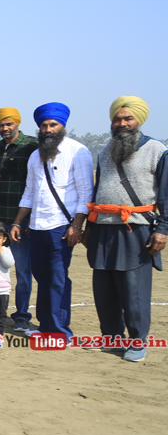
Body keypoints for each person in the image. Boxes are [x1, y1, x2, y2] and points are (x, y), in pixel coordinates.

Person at [84, 96, 167, 362]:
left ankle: (137, 341)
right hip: (103, 227)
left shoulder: (157, 150)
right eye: (117, 119)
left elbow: (166, 194)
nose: (122, 123)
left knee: (133, 289)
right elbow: (97, 191)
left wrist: (163, 229)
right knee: (104, 288)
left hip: (137, 229)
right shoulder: (104, 151)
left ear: (138, 120)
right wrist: (89, 226)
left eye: (128, 118)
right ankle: (111, 337)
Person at [10, 102, 94, 340]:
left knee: (58, 278)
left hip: (62, 227)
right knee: (42, 276)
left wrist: (77, 225)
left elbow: (86, 193)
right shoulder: (35, 155)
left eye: (53, 125)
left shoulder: (78, 152)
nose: (48, 130)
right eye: (44, 126)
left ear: (62, 126)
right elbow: (29, 192)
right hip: (37, 226)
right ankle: (45, 326)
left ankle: (60, 330)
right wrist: (17, 222)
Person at [0, 107, 38, 334]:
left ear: (17, 124)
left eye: (9, 124)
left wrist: (26, 219)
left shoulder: (31, 146)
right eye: (1, 125)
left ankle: (22, 316)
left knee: (22, 271)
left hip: (20, 220)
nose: (5, 128)